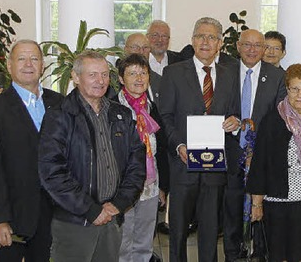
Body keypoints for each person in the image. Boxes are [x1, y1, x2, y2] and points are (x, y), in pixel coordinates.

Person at [38, 51, 146, 262]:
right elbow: (51, 172)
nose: (101, 81)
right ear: (76, 77)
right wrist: (90, 210)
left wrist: (119, 202)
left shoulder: (121, 114)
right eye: (93, 75)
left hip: (112, 219)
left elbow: (136, 162)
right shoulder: (59, 116)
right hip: (74, 223)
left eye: (105, 75)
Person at [159, 17, 240, 262]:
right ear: (193, 41)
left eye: (212, 37)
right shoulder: (172, 73)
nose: (206, 41)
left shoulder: (231, 73)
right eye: (200, 36)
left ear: (220, 43)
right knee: (179, 231)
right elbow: (165, 116)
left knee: (210, 229)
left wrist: (234, 123)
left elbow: (235, 111)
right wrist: (178, 145)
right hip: (183, 165)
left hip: (215, 166)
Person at [0, 39, 63, 262]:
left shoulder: (60, 103)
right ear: (9, 65)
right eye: (21, 59)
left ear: (43, 65)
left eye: (34, 58)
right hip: (13, 218)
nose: (28, 64)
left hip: (54, 215)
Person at [247, 63, 301, 262]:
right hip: (277, 203)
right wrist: (256, 203)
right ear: (287, 89)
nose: (299, 95)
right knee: (279, 256)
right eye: (294, 89)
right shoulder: (271, 121)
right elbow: (260, 163)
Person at [223, 29, 287, 262]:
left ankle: (260, 253)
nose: (252, 50)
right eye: (247, 45)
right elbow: (219, 107)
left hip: (262, 154)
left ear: (264, 49)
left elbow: (280, 117)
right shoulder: (225, 72)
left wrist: (255, 146)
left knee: (261, 208)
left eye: (257, 45)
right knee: (230, 207)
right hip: (230, 151)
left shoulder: (278, 76)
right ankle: (232, 253)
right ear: (238, 46)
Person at [115, 53, 170, 262]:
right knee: (123, 243)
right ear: (121, 78)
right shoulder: (112, 108)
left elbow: (162, 148)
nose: (139, 79)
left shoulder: (151, 107)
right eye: (132, 73)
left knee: (144, 243)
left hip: (150, 186)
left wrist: (163, 186)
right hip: (123, 188)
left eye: (143, 73)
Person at [122, 33, 164, 106]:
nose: (141, 52)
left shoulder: (159, 81)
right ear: (125, 49)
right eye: (135, 47)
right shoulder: (113, 81)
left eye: (145, 47)